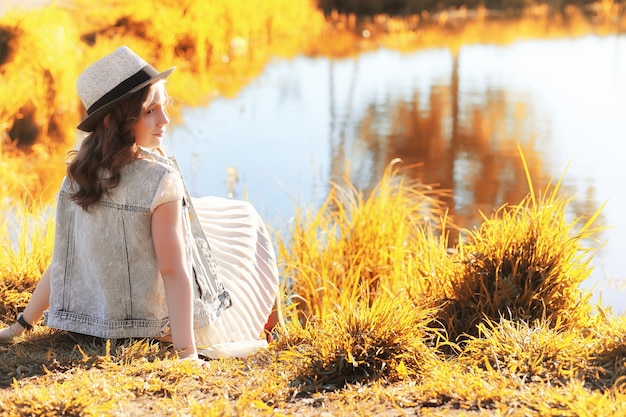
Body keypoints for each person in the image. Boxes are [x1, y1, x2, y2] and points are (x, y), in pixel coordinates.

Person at [0, 46, 282, 361]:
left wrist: (21, 325)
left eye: (163, 107)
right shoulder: (160, 180)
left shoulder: (78, 176)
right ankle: (275, 331)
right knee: (247, 219)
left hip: (95, 320)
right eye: (150, 111)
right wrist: (187, 353)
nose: (165, 119)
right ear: (115, 121)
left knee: (220, 215)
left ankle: (275, 329)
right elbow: (173, 270)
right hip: (161, 326)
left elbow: (64, 262)